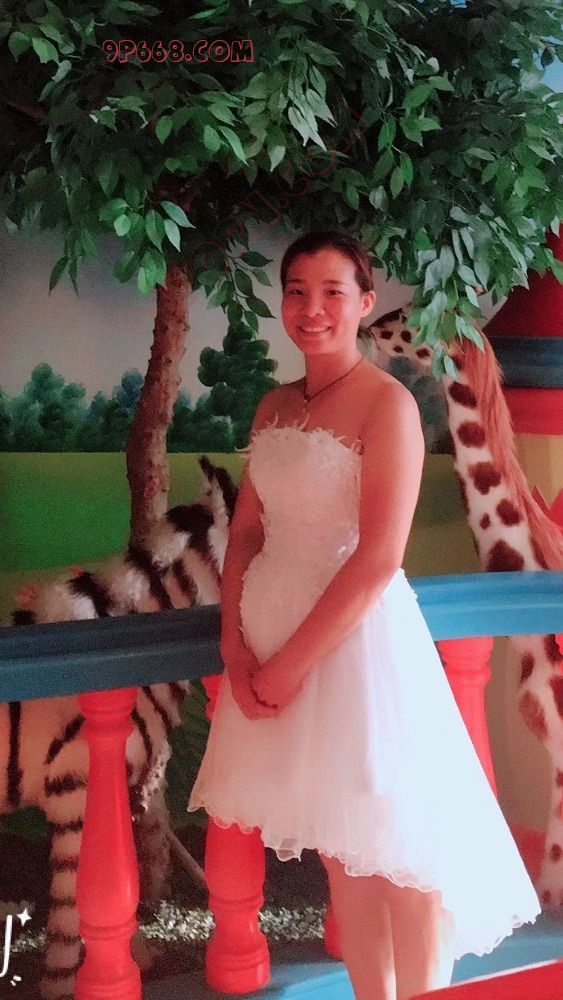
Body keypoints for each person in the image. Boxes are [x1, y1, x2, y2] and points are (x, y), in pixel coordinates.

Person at [188, 230, 541, 1000]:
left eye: (331, 292)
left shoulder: (387, 405)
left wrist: (287, 666)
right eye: (296, 291)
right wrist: (236, 646)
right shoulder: (274, 405)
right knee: (342, 856)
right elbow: (245, 534)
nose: (311, 309)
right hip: (268, 644)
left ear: (364, 302)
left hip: (356, 654)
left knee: (400, 856)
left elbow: (378, 557)